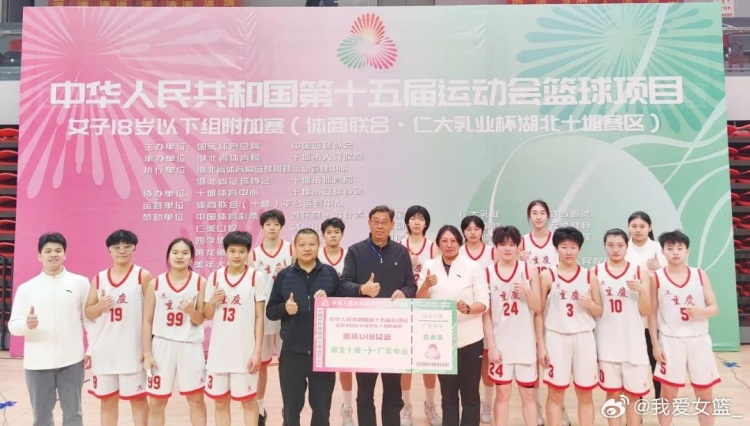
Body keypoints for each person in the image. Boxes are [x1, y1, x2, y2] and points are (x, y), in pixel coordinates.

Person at [267, 228, 362, 426]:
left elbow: (341, 308)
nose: (307, 248)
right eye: (302, 245)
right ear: (295, 247)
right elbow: (271, 311)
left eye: (311, 244)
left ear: (319, 246)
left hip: (322, 353)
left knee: (321, 410)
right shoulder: (284, 276)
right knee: (291, 409)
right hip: (292, 352)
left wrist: (329, 302)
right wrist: (285, 308)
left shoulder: (330, 273)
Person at [340, 205, 417, 426]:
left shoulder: (401, 252)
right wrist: (362, 289)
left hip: (394, 332)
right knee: (365, 393)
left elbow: (411, 285)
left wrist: (404, 292)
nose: (380, 226)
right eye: (376, 222)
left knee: (393, 392)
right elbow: (343, 284)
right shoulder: (355, 251)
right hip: (365, 333)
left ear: (392, 225)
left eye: (384, 222)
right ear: (369, 223)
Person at [8, 232, 90, 426]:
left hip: (72, 361)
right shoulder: (27, 288)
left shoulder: (80, 283)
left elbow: (89, 320)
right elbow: (13, 326)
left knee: (74, 414)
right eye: (48, 251)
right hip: (37, 363)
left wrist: (91, 349)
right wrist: (25, 324)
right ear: (39, 256)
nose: (53, 254)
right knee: (42, 417)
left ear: (65, 254)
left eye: (58, 250)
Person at [416, 225, 488, 426]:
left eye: (453, 241)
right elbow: (419, 300)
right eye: (444, 241)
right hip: (441, 341)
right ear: (438, 244)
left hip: (470, 339)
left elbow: (483, 302)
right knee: (448, 396)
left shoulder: (473, 267)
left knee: (470, 395)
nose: (449, 245)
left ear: (460, 243)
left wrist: (468, 308)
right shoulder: (429, 265)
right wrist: (426, 285)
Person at [648, 230, 721, 426]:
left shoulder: (700, 274)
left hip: (699, 339)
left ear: (687, 251)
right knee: (667, 394)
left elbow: (714, 308)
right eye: (670, 248)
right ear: (663, 251)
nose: (675, 252)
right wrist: (655, 344)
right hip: (670, 341)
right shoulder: (656, 277)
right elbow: (651, 313)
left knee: (705, 393)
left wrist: (700, 311)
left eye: (679, 248)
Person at [84, 229, 152, 426]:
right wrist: (100, 306)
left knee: (138, 399)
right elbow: (88, 312)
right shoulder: (99, 278)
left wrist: (147, 350)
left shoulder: (143, 276)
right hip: (105, 351)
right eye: (116, 247)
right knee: (107, 400)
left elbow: (151, 315)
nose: (122, 251)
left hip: (133, 350)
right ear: (109, 250)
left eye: (126, 246)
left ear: (134, 248)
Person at [536, 227, 602, 426]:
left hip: (584, 337)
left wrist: (590, 304)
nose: (568, 251)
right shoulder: (547, 276)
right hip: (556, 338)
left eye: (573, 247)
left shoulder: (589, 276)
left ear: (579, 249)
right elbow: (538, 312)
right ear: (556, 249)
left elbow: (599, 310)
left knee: (585, 393)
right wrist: (541, 345)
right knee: (555, 393)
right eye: (564, 247)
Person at [142, 238, 207, 426]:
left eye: (185, 253)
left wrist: (191, 311)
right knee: (157, 401)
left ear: (191, 257)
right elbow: (147, 321)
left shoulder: (200, 282)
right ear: (168, 255)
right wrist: (147, 353)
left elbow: (200, 319)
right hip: (162, 344)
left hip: (190, 344)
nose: (180, 256)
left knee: (196, 399)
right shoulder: (156, 283)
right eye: (175, 252)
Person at [203, 231, 265, 426]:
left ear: (247, 252)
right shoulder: (215, 277)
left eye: (241, 251)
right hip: (219, 353)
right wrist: (213, 301)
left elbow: (259, 317)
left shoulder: (256, 277)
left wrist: (257, 352)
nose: (237, 255)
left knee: (248, 402)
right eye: (232, 251)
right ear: (225, 252)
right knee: (220, 402)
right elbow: (207, 314)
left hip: (244, 351)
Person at [483, 226, 541, 426]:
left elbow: (538, 307)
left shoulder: (529, 270)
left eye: (511, 244)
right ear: (496, 246)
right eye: (502, 244)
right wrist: (491, 346)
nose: (507, 248)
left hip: (525, 344)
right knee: (502, 393)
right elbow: (486, 315)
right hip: (501, 345)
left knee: (528, 395)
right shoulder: (487, 273)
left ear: (518, 246)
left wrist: (527, 290)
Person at [594, 229, 651, 426]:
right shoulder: (595, 272)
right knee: (613, 395)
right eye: (610, 245)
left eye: (620, 245)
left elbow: (646, 310)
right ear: (604, 246)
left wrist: (642, 290)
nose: (615, 249)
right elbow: (595, 310)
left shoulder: (639, 271)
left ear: (627, 247)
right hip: (607, 344)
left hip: (633, 344)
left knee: (634, 396)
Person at [519, 199, 564, 426]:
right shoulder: (522, 241)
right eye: (534, 213)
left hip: (554, 302)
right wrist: (519, 259)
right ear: (529, 217)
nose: (538, 217)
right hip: (530, 303)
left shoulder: (556, 240)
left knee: (557, 355)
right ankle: (535, 407)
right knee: (535, 354)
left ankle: (559, 407)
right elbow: (513, 268)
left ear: (548, 215)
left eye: (542, 213)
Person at [399, 205, 441, 426]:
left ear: (426, 223)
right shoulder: (399, 246)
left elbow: (438, 278)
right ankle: (405, 405)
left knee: (429, 359)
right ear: (407, 222)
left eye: (421, 218)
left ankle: (430, 404)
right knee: (406, 361)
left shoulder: (433, 247)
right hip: (405, 308)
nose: (417, 222)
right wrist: (406, 264)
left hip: (427, 308)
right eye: (413, 218)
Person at [252, 209, 295, 424]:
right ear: (262, 227)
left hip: (286, 314)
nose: (272, 228)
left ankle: (289, 408)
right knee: (261, 365)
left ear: (281, 226)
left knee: (287, 365)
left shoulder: (291, 249)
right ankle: (259, 409)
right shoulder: (254, 255)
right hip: (263, 317)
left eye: (276, 224)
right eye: (268, 224)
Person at [459, 214, 497, 423]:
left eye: (476, 229)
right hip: (465, 316)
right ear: (463, 232)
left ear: (482, 231)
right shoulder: (457, 252)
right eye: (468, 229)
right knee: (468, 364)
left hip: (488, 312)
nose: (472, 232)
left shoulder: (492, 252)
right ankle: (467, 402)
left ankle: (487, 403)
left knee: (486, 362)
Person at [625, 211, 667, 399]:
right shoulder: (623, 249)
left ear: (650, 228)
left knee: (657, 361)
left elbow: (672, 279)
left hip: (656, 316)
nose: (638, 230)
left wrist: (659, 269)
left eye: (642, 226)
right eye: (634, 226)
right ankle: (636, 406)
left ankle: (660, 404)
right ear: (628, 228)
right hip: (631, 313)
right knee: (633, 364)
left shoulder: (660, 249)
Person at [318, 217, 355, 426]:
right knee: (323, 370)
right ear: (323, 235)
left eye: (336, 232)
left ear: (342, 234)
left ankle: (347, 409)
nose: (333, 235)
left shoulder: (350, 255)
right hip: (319, 319)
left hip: (344, 318)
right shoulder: (315, 255)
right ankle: (322, 413)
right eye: (329, 232)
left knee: (346, 366)